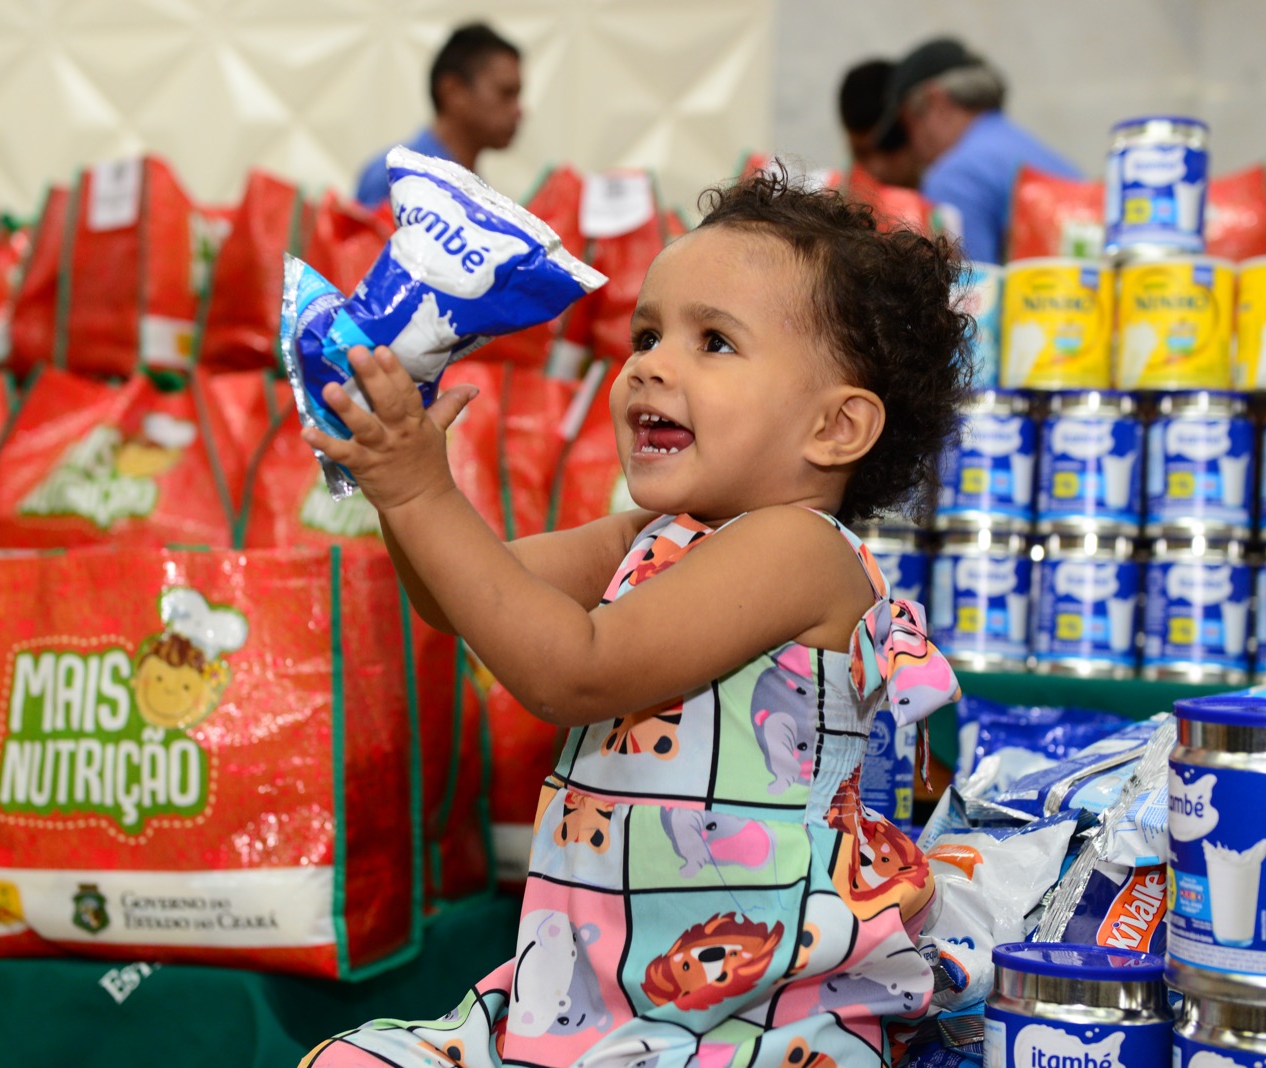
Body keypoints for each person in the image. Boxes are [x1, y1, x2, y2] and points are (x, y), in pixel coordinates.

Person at [298, 171, 969, 1068]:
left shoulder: (799, 551)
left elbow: (573, 672)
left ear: (836, 428)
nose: (650, 364)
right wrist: (396, 476)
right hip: (590, 994)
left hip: (749, 1010)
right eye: (646, 335)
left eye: (714, 342)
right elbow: (450, 597)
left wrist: (423, 492)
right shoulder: (648, 537)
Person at [871, 36, 1081, 265]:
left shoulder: (954, 176)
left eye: (907, 127)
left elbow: (969, 284)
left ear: (935, 101)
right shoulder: (1030, 149)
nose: (913, 149)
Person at [353, 22, 523, 209]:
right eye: (506, 93)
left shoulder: (475, 189)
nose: (519, 110)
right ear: (453, 91)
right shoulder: (395, 177)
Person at [838, 58, 920, 188]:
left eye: (889, 145)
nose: (877, 169)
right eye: (862, 153)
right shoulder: (842, 190)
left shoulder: (948, 185)